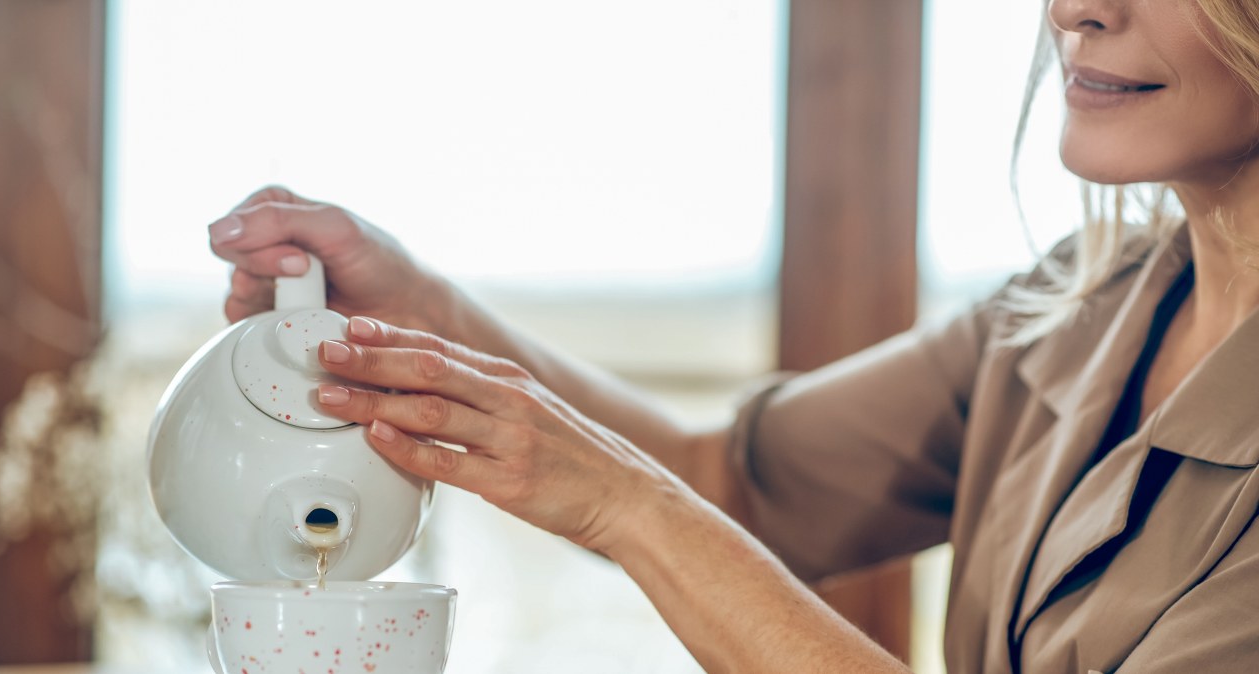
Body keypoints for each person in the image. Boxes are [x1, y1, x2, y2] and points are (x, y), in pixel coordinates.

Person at [207, 0, 1259, 671]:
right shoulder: (1073, 307)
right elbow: (737, 481)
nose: (1078, 8)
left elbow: (669, 499)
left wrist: (630, 506)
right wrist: (424, 313)